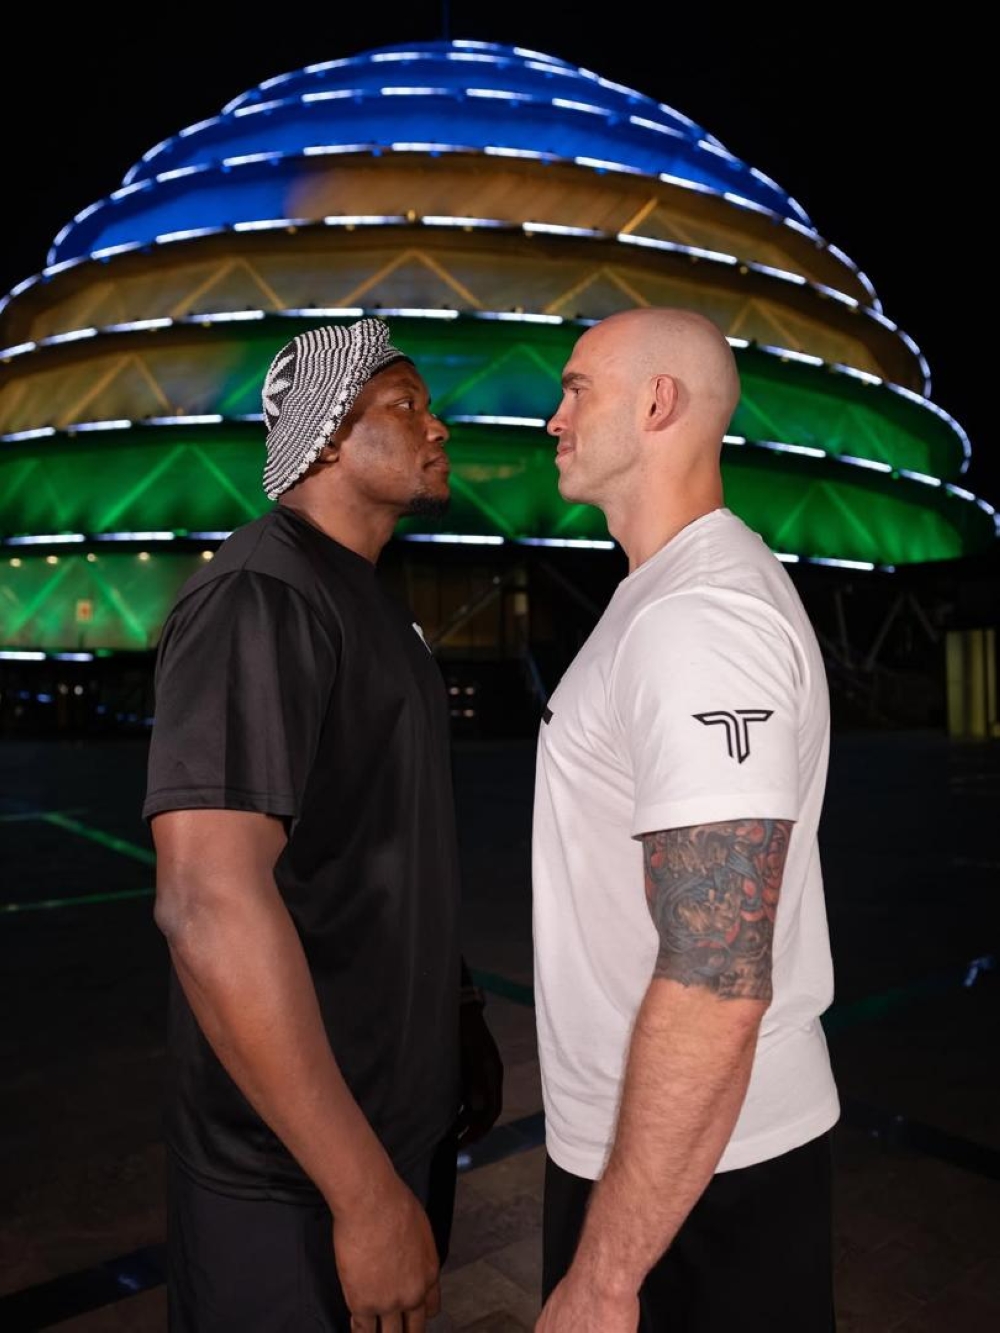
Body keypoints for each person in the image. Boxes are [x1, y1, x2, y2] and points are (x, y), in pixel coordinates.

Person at [143, 316, 503, 1332]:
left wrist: (455, 1008)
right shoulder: (262, 595)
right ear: (328, 435)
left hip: (392, 1122)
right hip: (290, 1175)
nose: (437, 427)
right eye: (406, 405)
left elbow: (379, 841)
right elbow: (208, 903)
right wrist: (359, 1193)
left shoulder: (371, 601)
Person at [531, 307, 840, 1332]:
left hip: (694, 1177)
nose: (551, 418)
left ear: (657, 402)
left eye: (577, 388)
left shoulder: (698, 619)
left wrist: (606, 1277)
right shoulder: (658, 596)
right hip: (663, 1156)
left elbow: (716, 975)